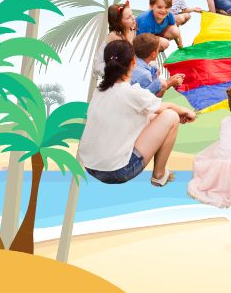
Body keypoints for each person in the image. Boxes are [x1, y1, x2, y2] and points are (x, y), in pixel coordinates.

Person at [79, 40, 197, 186]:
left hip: (90, 165)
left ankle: (158, 173)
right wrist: (186, 111)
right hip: (117, 171)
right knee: (171, 116)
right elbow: (164, 108)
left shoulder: (100, 91)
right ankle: (159, 176)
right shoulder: (132, 92)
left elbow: (149, 111)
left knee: (152, 116)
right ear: (134, 62)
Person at [131, 33, 184, 98]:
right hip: (138, 101)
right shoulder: (144, 75)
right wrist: (169, 83)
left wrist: (170, 81)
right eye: (158, 50)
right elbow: (146, 97)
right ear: (153, 54)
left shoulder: (134, 62)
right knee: (163, 84)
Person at [92, 1, 136, 77]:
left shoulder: (131, 29)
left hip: (120, 63)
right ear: (119, 23)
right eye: (128, 17)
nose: (133, 18)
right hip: (103, 65)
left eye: (132, 14)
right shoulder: (115, 37)